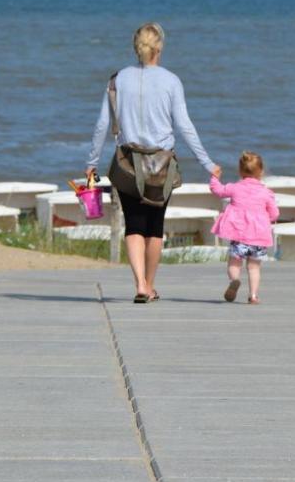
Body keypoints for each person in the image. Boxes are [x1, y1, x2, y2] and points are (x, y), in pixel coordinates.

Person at [86, 22, 220, 304]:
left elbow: (102, 125)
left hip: (126, 162)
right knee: (154, 226)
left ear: (136, 47)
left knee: (133, 225)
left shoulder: (117, 79)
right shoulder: (171, 80)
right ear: (159, 47)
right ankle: (151, 284)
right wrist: (207, 163)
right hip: (162, 164)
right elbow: (184, 126)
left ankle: (140, 285)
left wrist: (92, 162)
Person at [210, 151, 279, 305]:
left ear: (240, 171)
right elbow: (274, 214)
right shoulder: (266, 193)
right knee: (254, 267)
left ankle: (234, 280)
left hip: (239, 235)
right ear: (261, 171)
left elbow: (218, 190)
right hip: (259, 237)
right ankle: (253, 296)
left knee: (234, 263)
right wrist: (264, 219)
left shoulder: (235, 188)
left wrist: (215, 177)